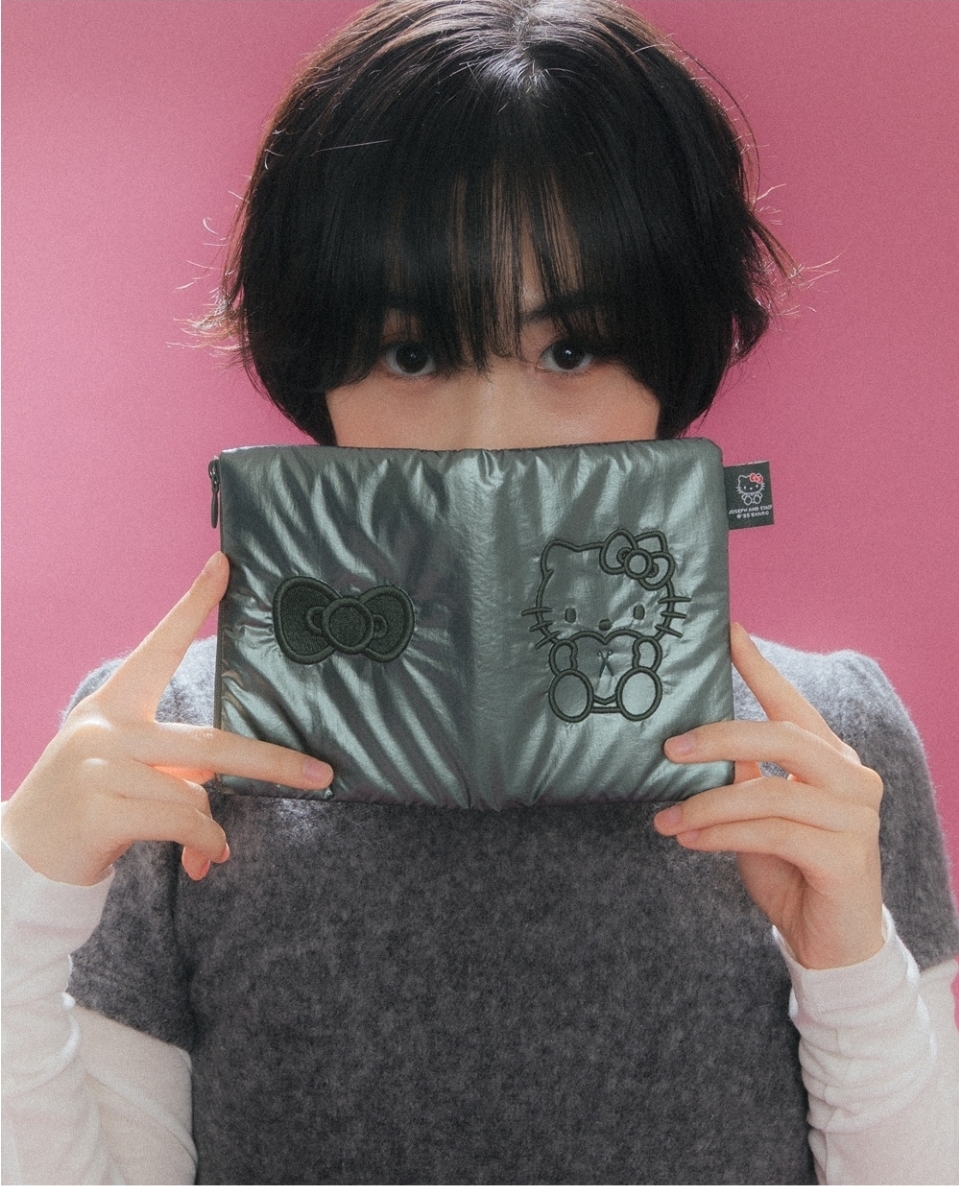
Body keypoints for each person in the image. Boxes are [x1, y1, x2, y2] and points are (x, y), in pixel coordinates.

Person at [3, 1, 958, 1182]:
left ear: (671, 356)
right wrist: (19, 905)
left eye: (570, 350)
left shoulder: (824, 748)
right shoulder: (164, 758)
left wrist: (848, 967)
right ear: (316, 367)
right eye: (411, 353)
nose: (487, 444)